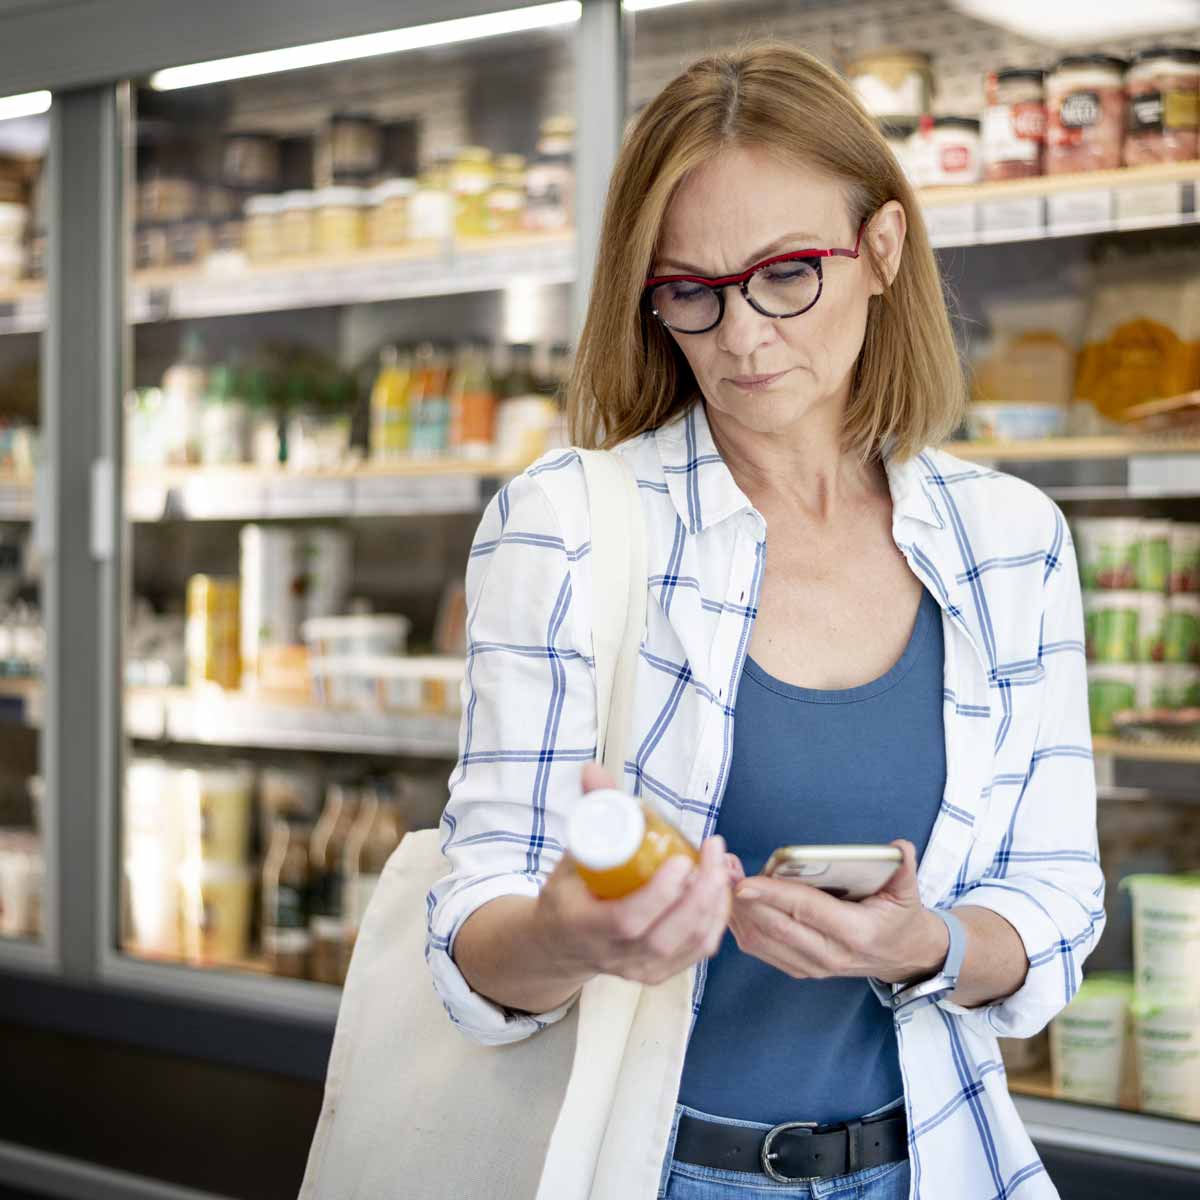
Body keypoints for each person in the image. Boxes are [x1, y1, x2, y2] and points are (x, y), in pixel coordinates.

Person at [427, 42, 1104, 1200]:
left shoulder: (1011, 539)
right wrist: (571, 936)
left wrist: (927, 946)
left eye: (787, 273)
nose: (740, 338)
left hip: (933, 1163)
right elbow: (474, 929)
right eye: (689, 289)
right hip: (663, 1172)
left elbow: (1055, 903)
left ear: (883, 250)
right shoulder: (568, 527)